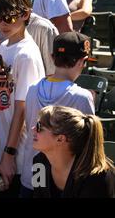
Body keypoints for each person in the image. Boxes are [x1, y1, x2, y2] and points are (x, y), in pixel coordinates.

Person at [0, 0, 45, 198]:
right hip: (2, 145)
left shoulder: (27, 54)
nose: (2, 23)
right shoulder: (4, 46)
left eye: (8, 17)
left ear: (25, 14)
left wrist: (9, 154)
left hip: (18, 155)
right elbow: (3, 100)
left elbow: (23, 108)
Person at [21, 32, 96, 197]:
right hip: (63, 177)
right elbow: (87, 141)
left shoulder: (33, 89)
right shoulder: (82, 96)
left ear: (52, 57)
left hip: (34, 170)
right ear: (81, 62)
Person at [32, 106, 115, 198]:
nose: (33, 129)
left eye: (39, 127)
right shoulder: (39, 164)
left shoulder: (96, 179)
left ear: (60, 139)